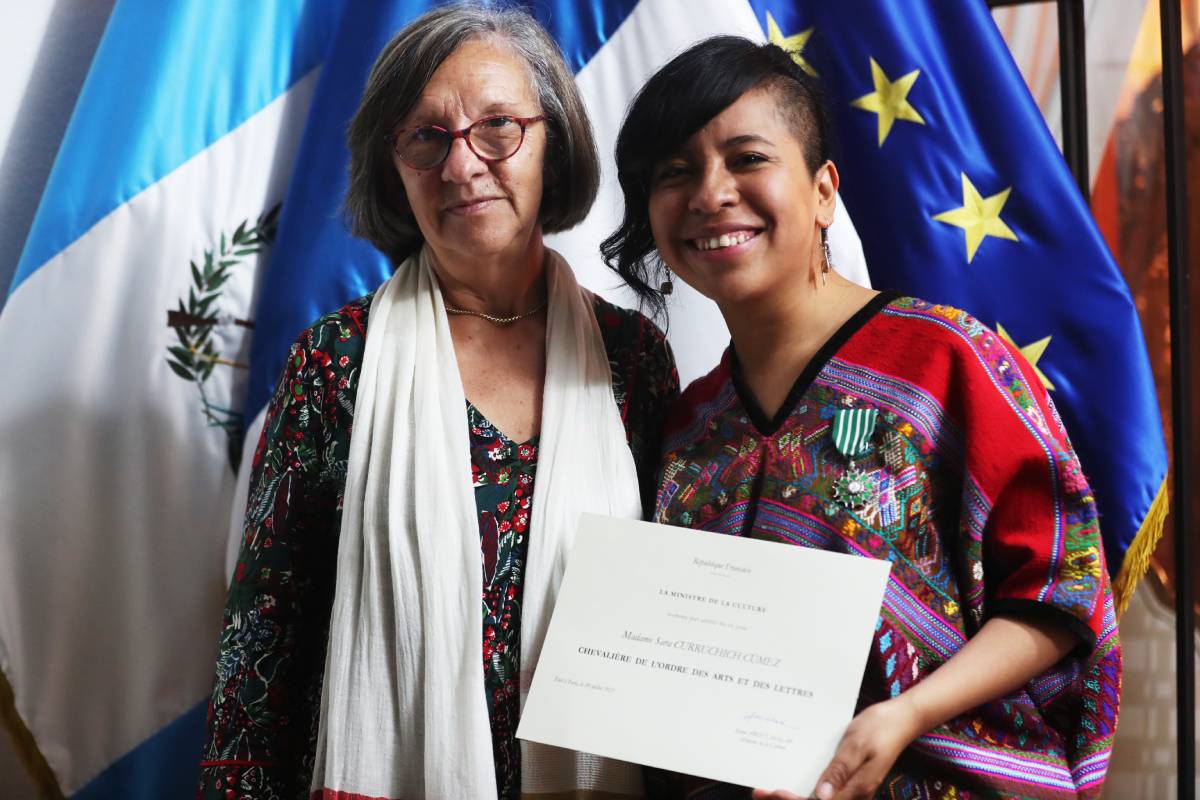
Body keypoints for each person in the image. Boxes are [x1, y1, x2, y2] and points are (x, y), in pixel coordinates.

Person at [602, 36, 1119, 800]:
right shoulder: (686, 422)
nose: (709, 193)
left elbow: (1061, 595)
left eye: (746, 159)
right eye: (675, 172)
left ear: (822, 192)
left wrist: (903, 717)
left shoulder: (949, 360)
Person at [197, 6, 677, 800]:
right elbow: (265, 633)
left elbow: (671, 610)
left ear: (554, 147)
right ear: (393, 169)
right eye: (426, 137)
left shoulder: (632, 357)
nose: (462, 167)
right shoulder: (334, 363)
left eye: (498, 128)